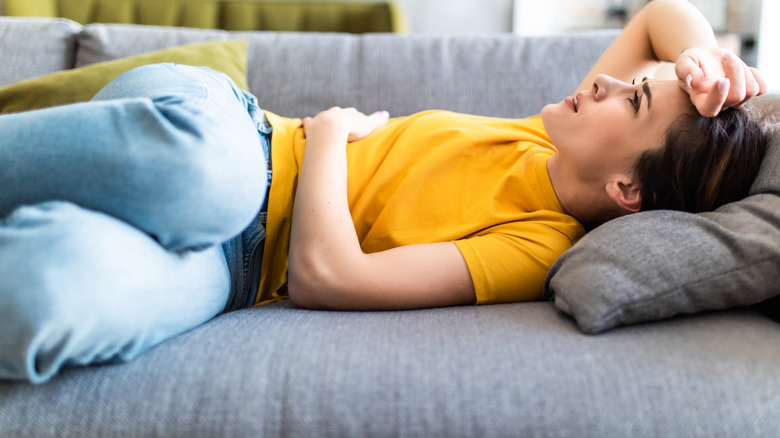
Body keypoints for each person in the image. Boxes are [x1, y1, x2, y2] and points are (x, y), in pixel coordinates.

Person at [0, 0, 769, 383]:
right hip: (235, 142)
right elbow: (660, 14)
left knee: (45, 295)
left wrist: (331, 135)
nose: (604, 81)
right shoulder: (547, 134)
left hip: (228, 276)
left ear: (627, 189)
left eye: (631, 101)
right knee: (201, 176)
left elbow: (327, 277)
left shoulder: (536, 247)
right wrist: (706, 65)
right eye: (631, 83)